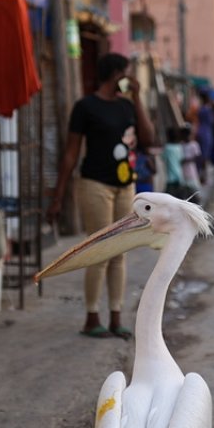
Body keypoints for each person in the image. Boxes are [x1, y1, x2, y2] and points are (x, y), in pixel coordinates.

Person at [48, 53, 156, 339]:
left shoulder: (126, 107)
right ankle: (92, 317)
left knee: (119, 251)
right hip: (95, 185)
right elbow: (71, 151)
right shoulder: (85, 107)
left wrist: (137, 98)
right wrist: (58, 194)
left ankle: (116, 317)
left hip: (125, 186)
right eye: (127, 74)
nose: (131, 79)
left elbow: (148, 137)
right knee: (99, 250)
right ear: (115, 75)